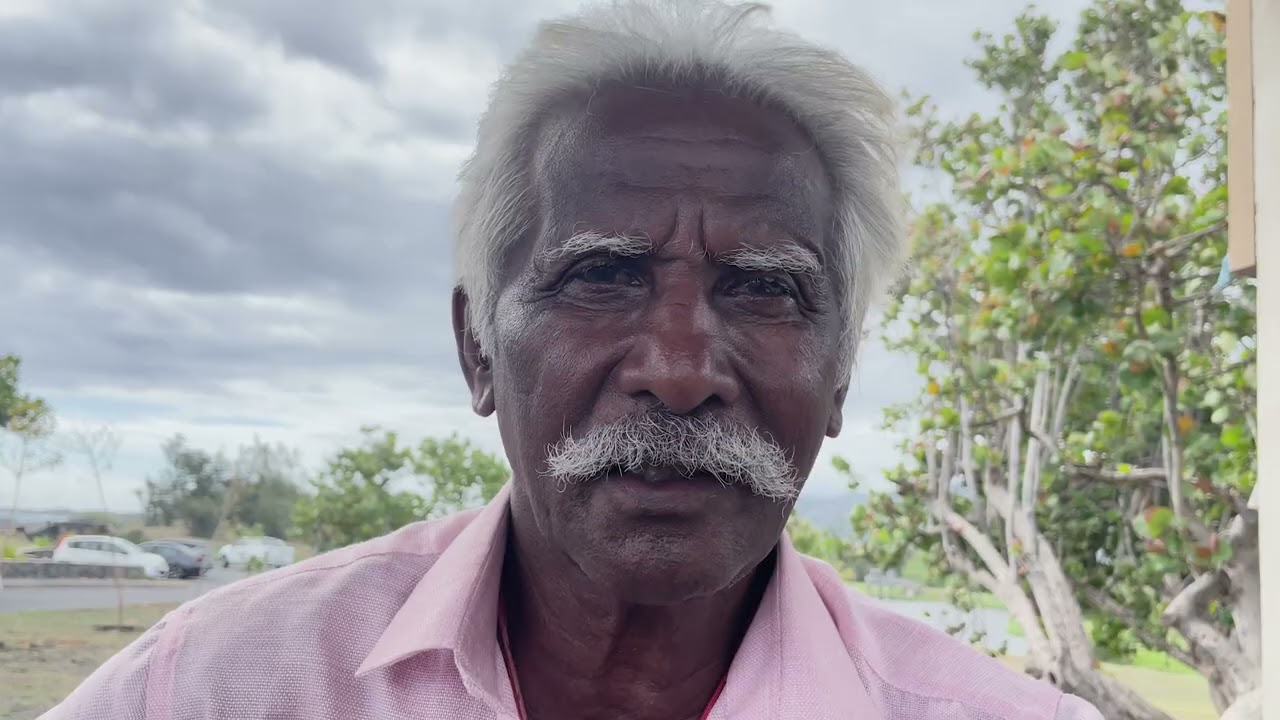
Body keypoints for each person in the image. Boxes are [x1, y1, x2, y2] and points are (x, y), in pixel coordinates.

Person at [42, 1, 1105, 718]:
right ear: (475, 351)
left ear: (837, 376)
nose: (681, 367)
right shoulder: (224, 686)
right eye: (600, 275)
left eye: (764, 288)